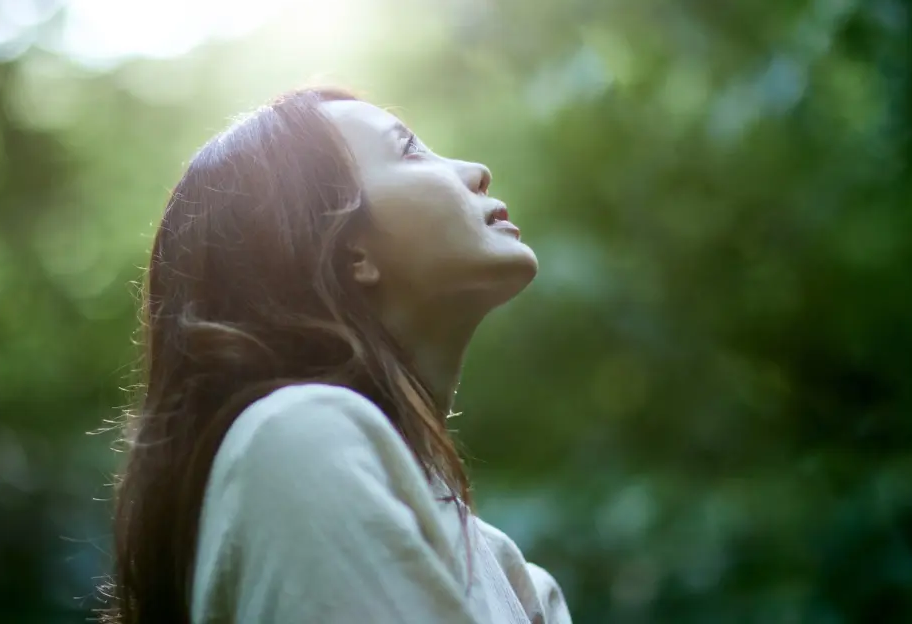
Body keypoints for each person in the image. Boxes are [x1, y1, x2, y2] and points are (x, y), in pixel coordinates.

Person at [103, 88, 571, 624]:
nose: (477, 170)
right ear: (349, 249)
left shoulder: (508, 570)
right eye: (410, 150)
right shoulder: (299, 438)